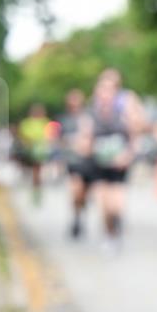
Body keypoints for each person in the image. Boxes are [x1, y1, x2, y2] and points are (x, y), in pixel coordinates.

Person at [86, 73, 141, 252]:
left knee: (116, 205)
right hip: (99, 166)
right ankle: (109, 235)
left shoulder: (124, 114)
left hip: (118, 167)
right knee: (104, 206)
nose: (105, 94)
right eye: (102, 89)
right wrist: (90, 148)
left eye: (110, 90)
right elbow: (85, 141)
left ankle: (116, 230)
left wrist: (127, 155)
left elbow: (134, 140)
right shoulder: (91, 114)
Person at [57, 89, 93, 238]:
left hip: (88, 162)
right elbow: (58, 141)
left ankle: (80, 212)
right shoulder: (63, 120)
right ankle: (76, 219)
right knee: (76, 190)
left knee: (85, 193)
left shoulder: (88, 118)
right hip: (72, 161)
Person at [17, 103, 52, 206]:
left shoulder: (45, 122)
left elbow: (50, 135)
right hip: (29, 150)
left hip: (41, 151)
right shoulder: (26, 123)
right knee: (34, 172)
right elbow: (23, 136)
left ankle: (36, 191)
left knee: (37, 171)